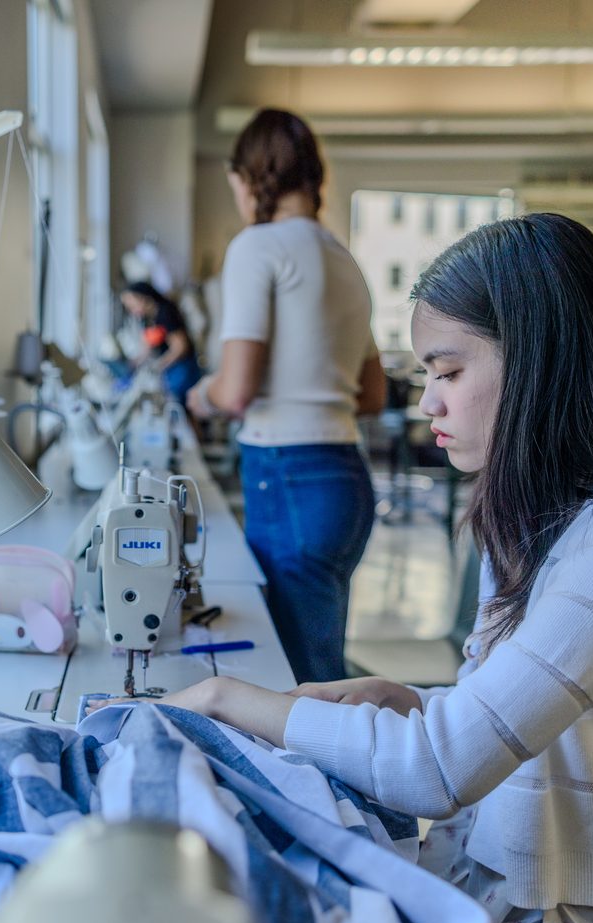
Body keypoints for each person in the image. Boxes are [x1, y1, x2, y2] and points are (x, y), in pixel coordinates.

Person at [98, 213, 593, 923]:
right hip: (536, 897)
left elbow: (438, 770)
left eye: (447, 372)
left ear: (539, 362)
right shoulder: (552, 517)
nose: (426, 403)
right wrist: (412, 702)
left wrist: (223, 699)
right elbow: (537, 720)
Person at [186, 107, 387, 684]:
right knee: (322, 664)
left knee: (299, 683)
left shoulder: (258, 246)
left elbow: (237, 388)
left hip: (288, 472)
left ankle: (335, 776)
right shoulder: (344, 260)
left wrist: (203, 395)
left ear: (253, 178)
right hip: (345, 479)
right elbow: (370, 394)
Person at [119, 280, 205, 408]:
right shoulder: (146, 318)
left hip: (183, 365)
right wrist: (133, 364)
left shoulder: (165, 312)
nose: (130, 310)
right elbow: (147, 347)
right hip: (170, 367)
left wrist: (159, 365)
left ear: (142, 297)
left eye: (131, 304)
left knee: (181, 404)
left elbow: (181, 347)